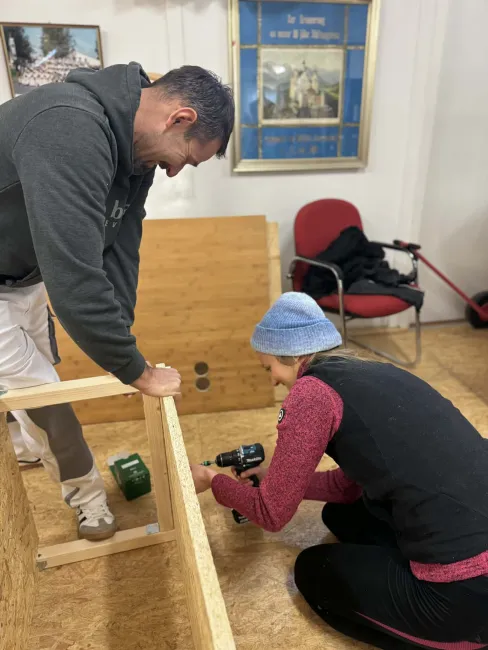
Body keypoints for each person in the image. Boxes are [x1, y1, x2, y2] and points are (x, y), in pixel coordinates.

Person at [0, 62, 234, 541]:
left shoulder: (134, 155)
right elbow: (76, 279)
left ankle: (24, 447)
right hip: (16, 274)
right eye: (186, 159)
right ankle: (87, 499)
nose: (174, 171)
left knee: (36, 376)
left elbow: (121, 247)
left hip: (21, 273)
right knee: (44, 395)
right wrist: (134, 370)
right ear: (180, 118)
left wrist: (124, 350)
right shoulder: (69, 126)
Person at [191, 292, 488, 649]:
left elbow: (272, 513)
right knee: (341, 514)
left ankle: (464, 638)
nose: (272, 380)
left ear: (295, 356)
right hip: (474, 532)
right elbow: (348, 488)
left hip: (463, 591)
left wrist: (212, 481)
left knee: (312, 572)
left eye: (269, 369)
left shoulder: (311, 394)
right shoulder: (369, 371)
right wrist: (275, 477)